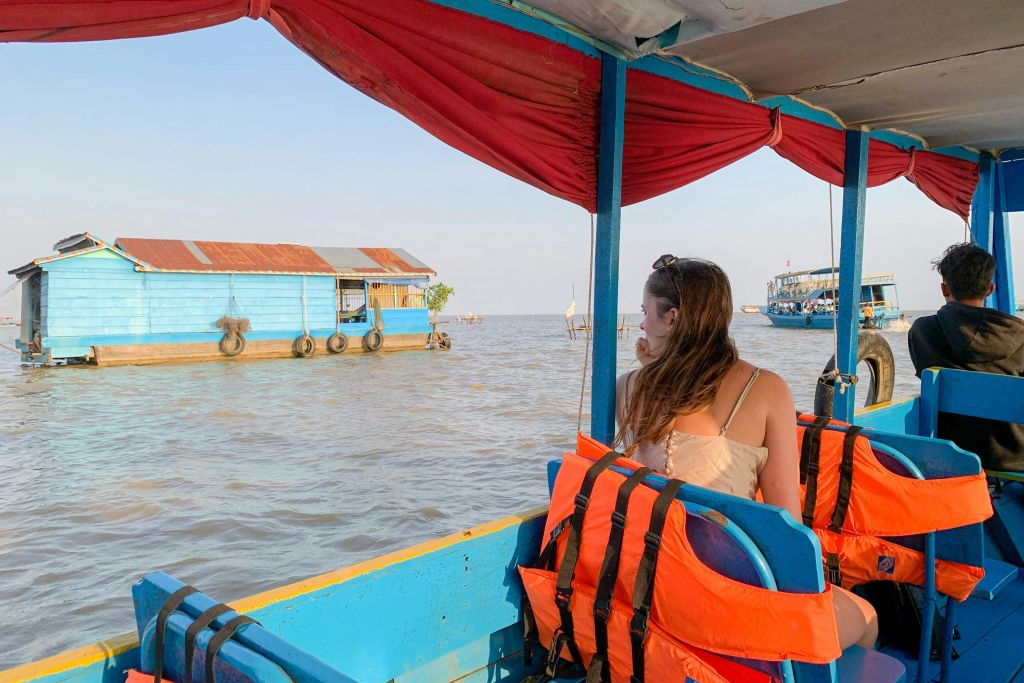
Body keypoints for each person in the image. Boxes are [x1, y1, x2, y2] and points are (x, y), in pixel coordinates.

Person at [615, 254, 878, 650]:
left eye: (644, 312)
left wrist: (650, 364)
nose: (641, 324)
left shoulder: (626, 387)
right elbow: (786, 524)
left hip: (647, 582)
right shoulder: (767, 390)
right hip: (723, 598)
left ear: (672, 317)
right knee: (869, 617)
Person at [909, 243, 1024, 471]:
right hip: (1014, 461)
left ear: (944, 289)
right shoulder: (1020, 337)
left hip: (952, 456)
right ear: (990, 289)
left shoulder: (922, 332)